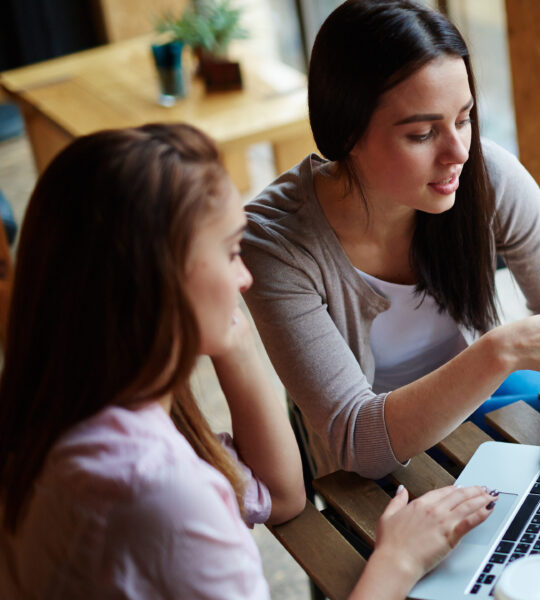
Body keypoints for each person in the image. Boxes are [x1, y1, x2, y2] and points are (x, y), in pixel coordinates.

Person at [0, 124, 494, 598]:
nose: (245, 278)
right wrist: (398, 561)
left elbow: (280, 496)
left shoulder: (61, 412)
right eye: (231, 251)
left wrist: (229, 336)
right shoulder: (160, 491)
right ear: (159, 281)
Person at [242, 0, 540, 489]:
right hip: (374, 463)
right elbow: (358, 441)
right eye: (422, 133)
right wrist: (503, 349)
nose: (459, 152)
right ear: (346, 132)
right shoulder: (276, 243)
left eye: (464, 118)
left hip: (486, 400)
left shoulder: (486, 173)